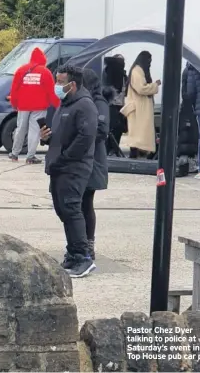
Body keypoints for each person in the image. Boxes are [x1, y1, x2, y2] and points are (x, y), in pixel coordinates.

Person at [40, 64, 98, 278]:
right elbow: (62, 135)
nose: (56, 85)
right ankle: (73, 253)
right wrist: (47, 138)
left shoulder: (84, 105)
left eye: (60, 82)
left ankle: (83, 256)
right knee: (63, 210)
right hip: (58, 166)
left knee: (72, 209)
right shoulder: (65, 104)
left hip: (73, 167)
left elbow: (86, 136)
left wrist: (66, 157)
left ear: (72, 84)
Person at [8, 47, 60, 164]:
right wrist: (58, 106)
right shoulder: (45, 72)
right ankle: (30, 157)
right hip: (39, 107)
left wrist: (14, 104)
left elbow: (14, 90)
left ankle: (14, 154)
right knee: (34, 130)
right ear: (43, 59)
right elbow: (51, 92)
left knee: (20, 129)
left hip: (23, 105)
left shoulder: (21, 70)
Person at [82, 68, 110, 261]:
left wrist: (81, 136)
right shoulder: (82, 101)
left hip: (93, 159)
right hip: (82, 158)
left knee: (86, 203)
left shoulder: (99, 103)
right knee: (79, 204)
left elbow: (102, 130)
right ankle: (81, 242)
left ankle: (88, 243)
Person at [120, 51, 161, 158]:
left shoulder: (139, 70)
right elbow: (141, 88)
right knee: (137, 135)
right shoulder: (137, 71)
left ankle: (140, 154)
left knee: (140, 134)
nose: (150, 64)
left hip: (140, 109)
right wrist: (155, 85)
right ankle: (135, 155)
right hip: (138, 109)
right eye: (149, 61)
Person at [102, 54, 127, 155]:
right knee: (113, 127)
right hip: (112, 104)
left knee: (119, 128)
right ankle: (109, 149)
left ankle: (114, 149)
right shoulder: (109, 72)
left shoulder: (123, 74)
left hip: (122, 104)